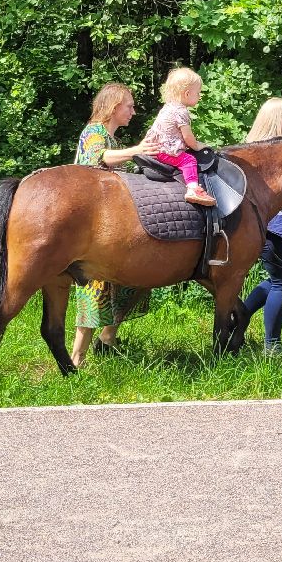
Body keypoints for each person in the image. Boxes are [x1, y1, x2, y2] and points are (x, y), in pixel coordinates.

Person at [70, 82, 154, 368]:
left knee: (133, 281)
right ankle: (76, 358)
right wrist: (137, 151)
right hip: (92, 227)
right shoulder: (94, 132)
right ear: (113, 107)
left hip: (110, 224)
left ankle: (107, 341)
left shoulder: (112, 139)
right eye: (128, 106)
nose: (133, 111)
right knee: (94, 289)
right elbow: (99, 158)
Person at [238, 97, 282, 355]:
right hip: (275, 224)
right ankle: (272, 346)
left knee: (276, 279)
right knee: (281, 283)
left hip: (253, 224)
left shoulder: (249, 150)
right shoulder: (275, 154)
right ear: (278, 121)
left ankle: (239, 317)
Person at [145, 66, 217, 208]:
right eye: (198, 93)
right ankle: (193, 189)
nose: (199, 96)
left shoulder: (168, 106)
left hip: (154, 147)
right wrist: (198, 145)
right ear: (187, 94)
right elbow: (188, 137)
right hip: (165, 151)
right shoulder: (181, 111)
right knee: (189, 160)